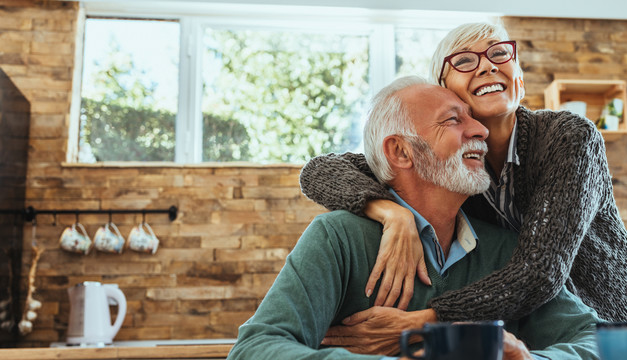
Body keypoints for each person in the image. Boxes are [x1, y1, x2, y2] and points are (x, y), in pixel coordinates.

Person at [299, 21, 627, 329]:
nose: (487, 66)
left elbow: (539, 271)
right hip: (543, 331)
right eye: (463, 60)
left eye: (498, 53)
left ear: (519, 80)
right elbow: (321, 170)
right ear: (445, 93)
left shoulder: (569, 137)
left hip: (621, 323)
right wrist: (390, 212)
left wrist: (426, 320)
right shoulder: (450, 166)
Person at [228, 76, 601, 360]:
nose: (480, 130)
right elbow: (255, 349)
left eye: (472, 119)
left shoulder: (504, 249)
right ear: (401, 152)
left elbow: (597, 340)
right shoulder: (338, 238)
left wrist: (530, 358)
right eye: (453, 120)